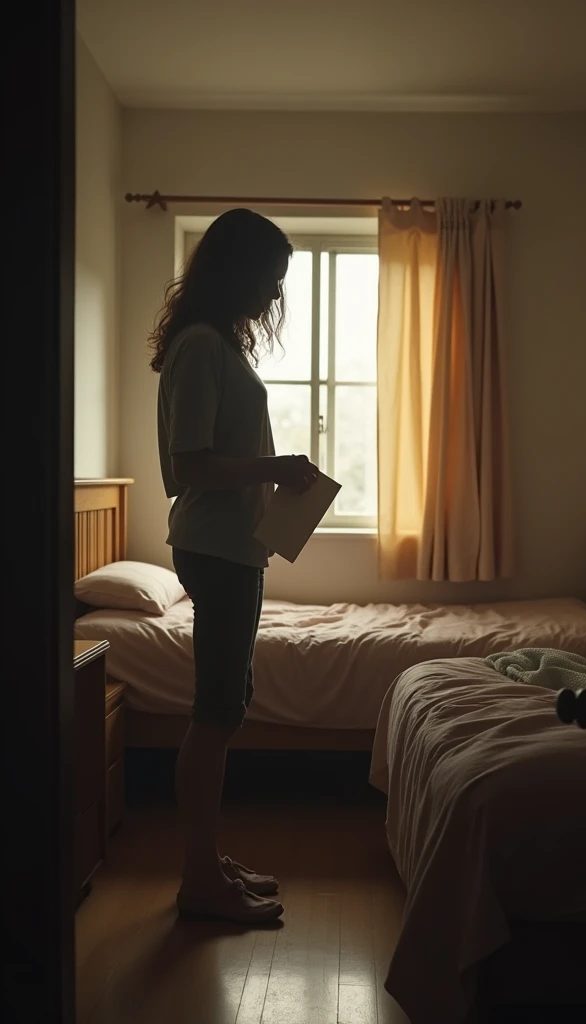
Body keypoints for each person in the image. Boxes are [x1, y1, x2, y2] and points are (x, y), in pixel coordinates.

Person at [150, 208, 318, 924]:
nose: (272, 296)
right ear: (236, 270)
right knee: (215, 713)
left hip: (233, 546)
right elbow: (187, 467)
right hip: (215, 548)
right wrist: (275, 465)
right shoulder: (199, 348)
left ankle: (207, 860)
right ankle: (197, 884)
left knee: (227, 705)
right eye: (268, 280)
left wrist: (275, 480)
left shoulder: (218, 344)